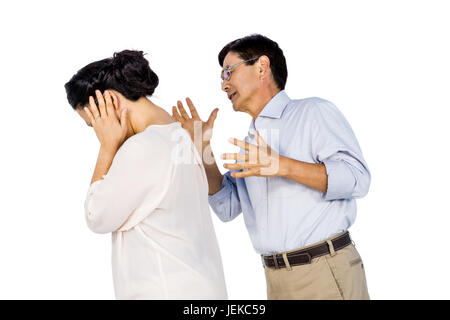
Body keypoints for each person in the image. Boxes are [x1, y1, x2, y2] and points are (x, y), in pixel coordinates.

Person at [172, 34, 370, 300]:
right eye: (222, 78)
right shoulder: (252, 140)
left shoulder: (312, 112)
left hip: (324, 271)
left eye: (228, 72)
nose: (224, 85)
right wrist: (202, 149)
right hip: (275, 280)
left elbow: (357, 179)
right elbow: (227, 207)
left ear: (262, 67)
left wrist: (282, 165)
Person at [64, 50, 227, 300]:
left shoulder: (143, 147)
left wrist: (107, 145)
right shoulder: (181, 136)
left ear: (111, 101)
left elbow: (96, 216)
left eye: (93, 122)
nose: (97, 130)